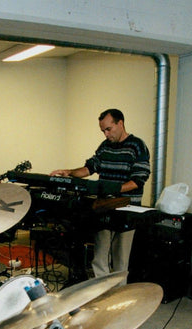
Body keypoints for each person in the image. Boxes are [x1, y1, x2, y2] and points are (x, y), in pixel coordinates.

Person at [51, 108, 150, 278]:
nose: (105, 134)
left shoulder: (137, 146)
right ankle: (101, 294)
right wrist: (69, 172)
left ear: (120, 123)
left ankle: (117, 298)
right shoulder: (105, 147)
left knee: (120, 261)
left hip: (127, 209)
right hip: (103, 207)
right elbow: (90, 167)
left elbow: (137, 181)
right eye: (103, 131)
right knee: (100, 258)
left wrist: (111, 189)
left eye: (108, 129)